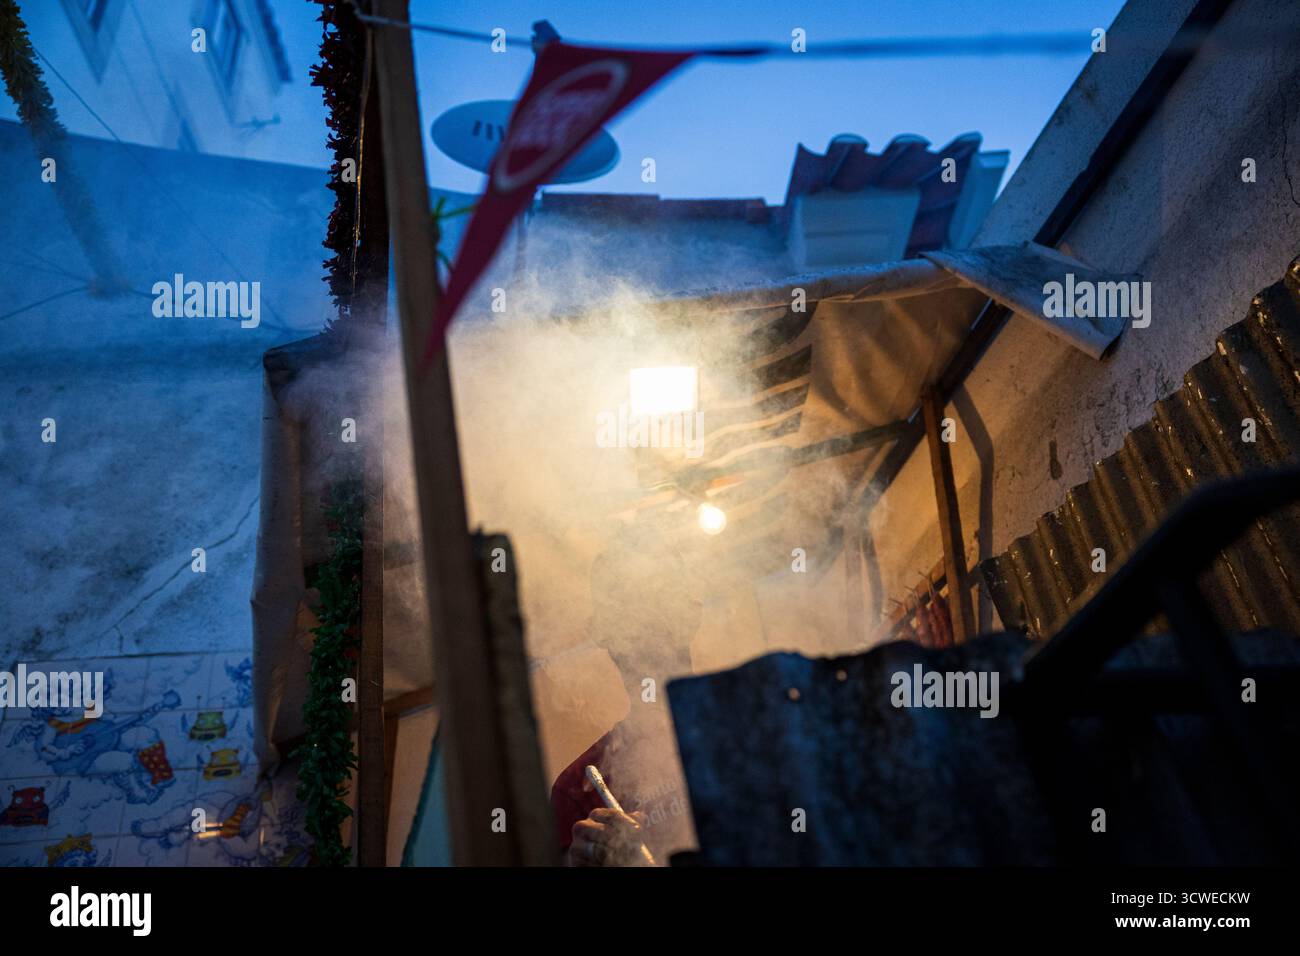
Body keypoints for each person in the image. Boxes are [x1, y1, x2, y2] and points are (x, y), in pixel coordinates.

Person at [550, 527, 702, 866]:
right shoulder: (580, 787)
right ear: (601, 632)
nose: (644, 626)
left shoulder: (757, 727)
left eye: (659, 601)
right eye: (626, 611)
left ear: (692, 613)